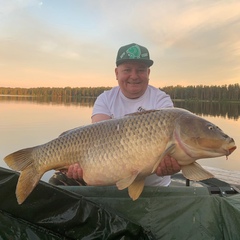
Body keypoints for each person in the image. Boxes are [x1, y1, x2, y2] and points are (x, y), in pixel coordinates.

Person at [50, 43, 180, 187]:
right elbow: (95, 138)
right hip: (111, 185)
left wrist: (174, 163)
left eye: (141, 70)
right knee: (59, 181)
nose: (134, 76)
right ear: (116, 73)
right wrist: (78, 169)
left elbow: (174, 144)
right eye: (127, 70)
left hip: (155, 188)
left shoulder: (161, 100)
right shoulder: (105, 99)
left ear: (148, 73)